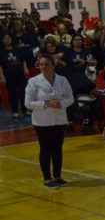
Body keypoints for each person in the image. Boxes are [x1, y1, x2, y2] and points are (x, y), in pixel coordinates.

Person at [25, 53, 75, 188]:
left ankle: (58, 176)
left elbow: (70, 97)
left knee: (57, 149)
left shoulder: (62, 80)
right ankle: (47, 179)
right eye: (41, 64)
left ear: (53, 66)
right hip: (42, 121)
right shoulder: (33, 81)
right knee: (45, 149)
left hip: (59, 119)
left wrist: (61, 103)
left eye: (46, 64)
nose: (43, 67)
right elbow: (28, 103)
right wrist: (46, 104)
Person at [2, 33, 31, 117]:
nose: (7, 40)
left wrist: (25, 69)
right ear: (2, 40)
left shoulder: (17, 49)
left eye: (9, 38)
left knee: (23, 92)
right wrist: (2, 76)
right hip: (8, 75)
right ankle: (15, 111)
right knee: (12, 93)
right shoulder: (1, 52)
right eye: (5, 38)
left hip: (20, 74)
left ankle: (25, 110)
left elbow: (23, 60)